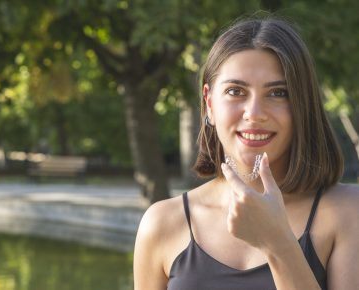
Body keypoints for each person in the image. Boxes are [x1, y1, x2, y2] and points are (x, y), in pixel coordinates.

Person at [133, 16, 359, 290]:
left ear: (303, 105)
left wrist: (277, 243)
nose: (254, 114)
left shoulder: (347, 212)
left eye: (278, 93)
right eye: (235, 91)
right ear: (210, 104)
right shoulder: (162, 223)